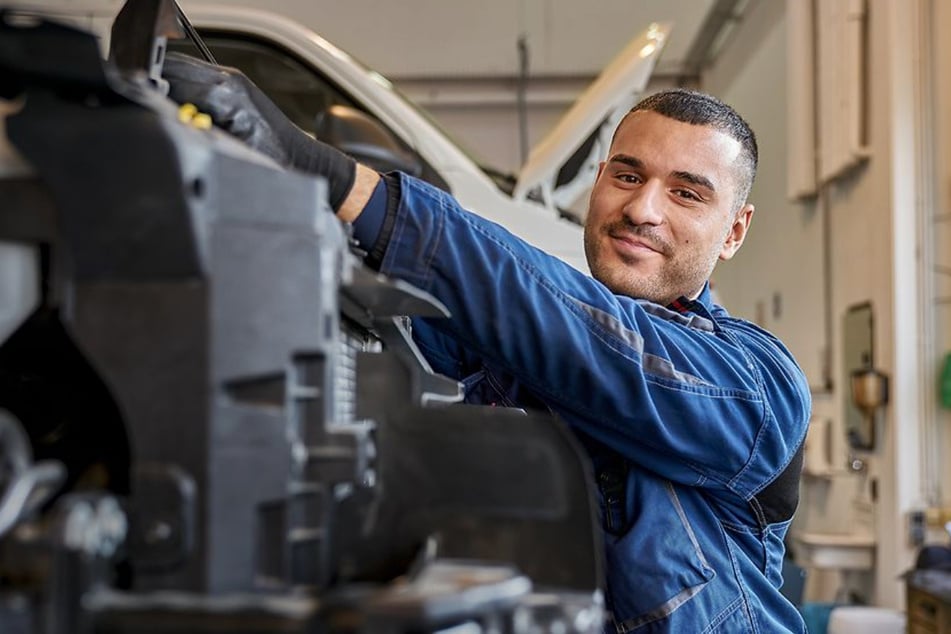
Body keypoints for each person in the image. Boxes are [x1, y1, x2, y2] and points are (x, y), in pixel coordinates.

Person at [164, 53, 811, 633]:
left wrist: (326, 170)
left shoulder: (758, 385)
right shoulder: (507, 348)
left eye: (685, 193)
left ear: (733, 231)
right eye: (626, 175)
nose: (643, 209)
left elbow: (597, 341)